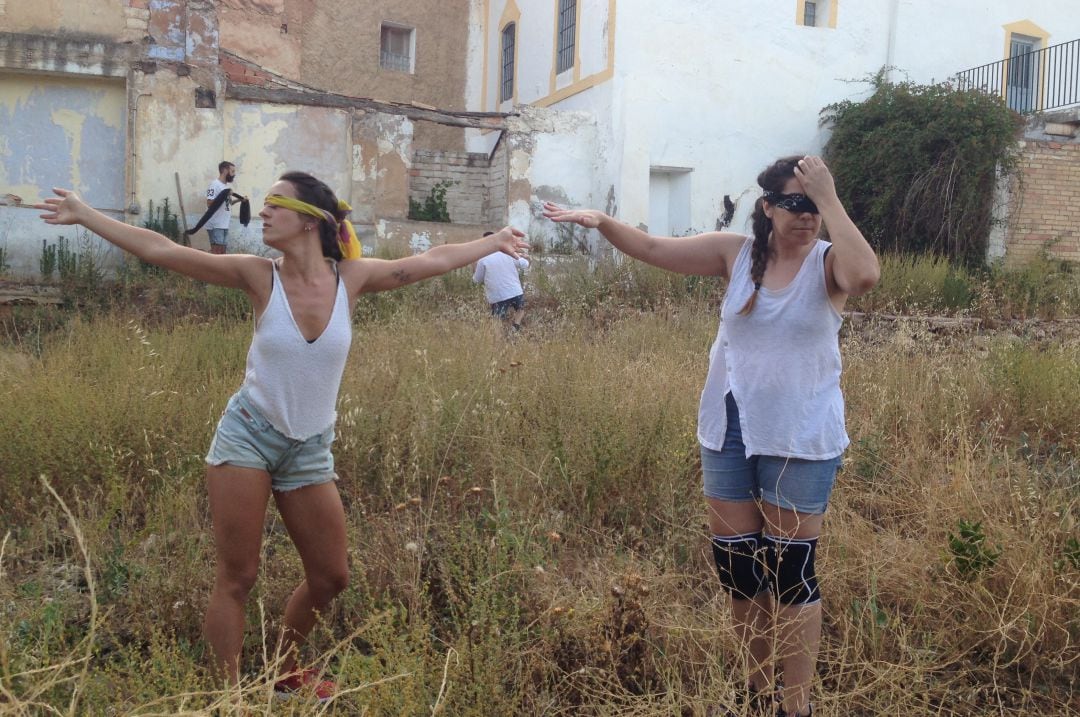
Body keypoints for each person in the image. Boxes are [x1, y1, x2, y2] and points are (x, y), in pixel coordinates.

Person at [35, 171, 528, 701]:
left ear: (312, 221)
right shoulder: (258, 275)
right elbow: (163, 250)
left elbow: (430, 260)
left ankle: (283, 671)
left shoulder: (353, 278)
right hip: (248, 438)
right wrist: (87, 215)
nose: (263, 211)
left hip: (309, 449)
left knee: (331, 577)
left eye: (276, 203)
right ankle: (226, 699)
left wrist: (493, 241)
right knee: (238, 577)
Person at [543, 155, 879, 717]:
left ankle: (795, 706)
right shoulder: (737, 253)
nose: (806, 216)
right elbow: (654, 250)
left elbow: (866, 276)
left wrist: (830, 197)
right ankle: (754, 690)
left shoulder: (829, 262)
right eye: (795, 204)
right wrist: (602, 221)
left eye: (814, 206)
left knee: (791, 570)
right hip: (729, 427)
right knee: (738, 566)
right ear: (767, 207)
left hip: (799, 434)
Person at [473, 230, 529, 330]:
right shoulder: (508, 253)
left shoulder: (482, 259)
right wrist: (524, 257)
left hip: (498, 295)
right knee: (520, 310)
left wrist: (474, 267)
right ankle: (515, 327)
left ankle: (498, 341)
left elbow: (477, 280)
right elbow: (524, 264)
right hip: (515, 291)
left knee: (497, 320)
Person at [204, 161, 241, 254]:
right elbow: (209, 203)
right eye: (232, 171)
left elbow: (229, 203)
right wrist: (224, 195)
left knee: (222, 252)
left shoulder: (225, 187)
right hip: (215, 224)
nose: (234, 174)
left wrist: (240, 200)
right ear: (225, 170)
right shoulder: (214, 185)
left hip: (224, 224)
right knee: (217, 252)